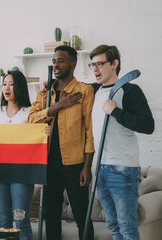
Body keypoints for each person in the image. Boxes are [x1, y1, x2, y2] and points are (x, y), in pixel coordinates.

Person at [28, 45, 95, 240]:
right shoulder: (46, 93)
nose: (56, 65)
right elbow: (32, 119)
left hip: (74, 164)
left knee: (81, 213)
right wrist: (57, 106)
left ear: (72, 64)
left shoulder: (84, 91)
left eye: (61, 61)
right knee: (51, 214)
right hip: (48, 164)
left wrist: (87, 166)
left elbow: (90, 130)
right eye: (54, 61)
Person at [89, 45, 154, 240]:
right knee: (114, 226)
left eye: (100, 64)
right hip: (100, 168)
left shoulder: (130, 90)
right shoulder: (94, 91)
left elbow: (147, 125)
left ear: (114, 63)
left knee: (127, 227)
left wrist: (116, 111)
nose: (95, 69)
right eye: (93, 65)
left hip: (123, 168)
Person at [0, 70, 50, 240]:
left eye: (11, 84)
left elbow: (38, 137)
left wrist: (45, 132)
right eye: (4, 84)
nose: (7, 88)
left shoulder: (29, 112)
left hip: (22, 174)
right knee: (3, 223)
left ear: (20, 87)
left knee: (21, 221)